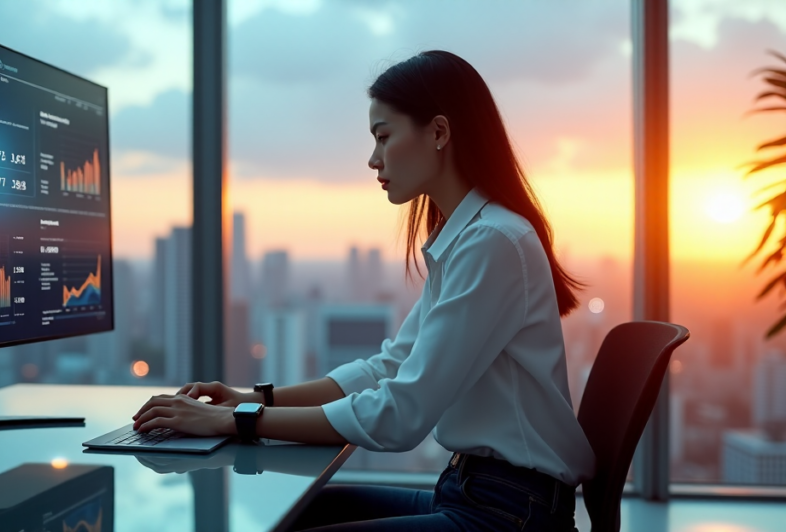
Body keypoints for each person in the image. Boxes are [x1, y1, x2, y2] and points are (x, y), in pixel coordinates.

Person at [132, 50, 594, 531]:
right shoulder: (471, 237)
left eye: (384, 136)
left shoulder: (492, 242)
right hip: (475, 492)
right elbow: (386, 368)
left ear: (438, 132)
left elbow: (400, 415)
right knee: (300, 514)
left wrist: (235, 421)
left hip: (509, 514)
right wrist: (252, 399)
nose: (373, 159)